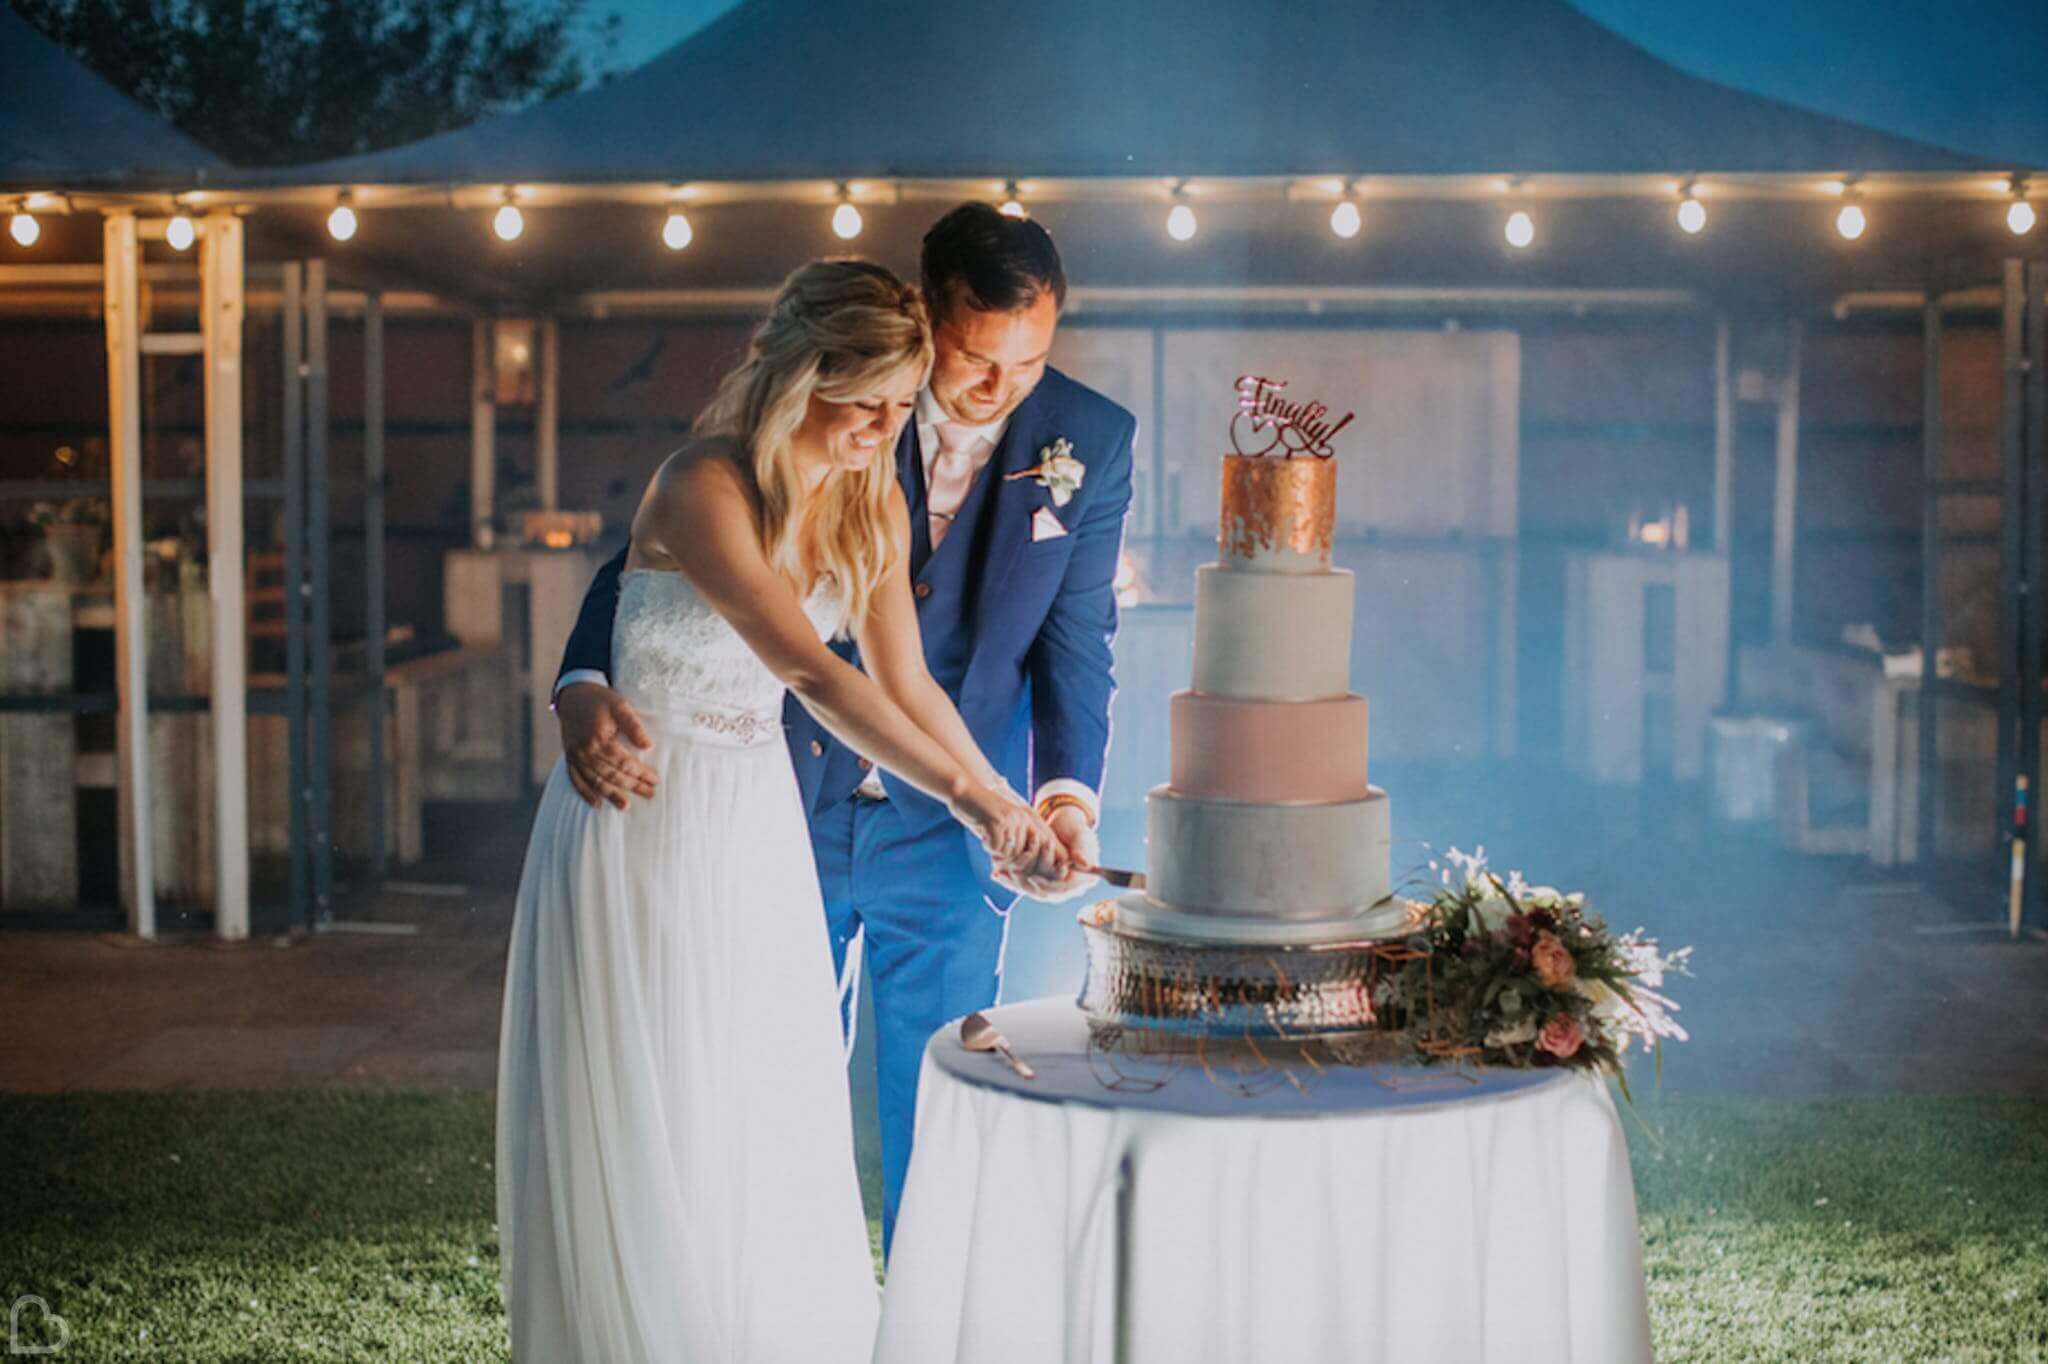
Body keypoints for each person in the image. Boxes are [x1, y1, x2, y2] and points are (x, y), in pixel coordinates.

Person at [497, 258, 1065, 1363]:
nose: (881, 429)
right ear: (799, 375)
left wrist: (1001, 800)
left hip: (753, 830)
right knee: (656, 1109)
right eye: (864, 404)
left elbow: (907, 684)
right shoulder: (700, 485)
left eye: (902, 407)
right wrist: (964, 798)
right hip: (646, 825)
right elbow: (810, 671)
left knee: (760, 1108)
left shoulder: (871, 499)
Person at [553, 202, 1137, 1249]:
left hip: (945, 834)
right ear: (922, 314)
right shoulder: (783, 439)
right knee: (754, 1074)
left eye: (1030, 361)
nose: (1000, 391)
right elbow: (669, 591)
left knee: (941, 1091)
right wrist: (580, 678)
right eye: (972, 359)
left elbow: (1069, 641)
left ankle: (920, 1315)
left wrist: (1034, 801)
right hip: (777, 795)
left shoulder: (1083, 440)